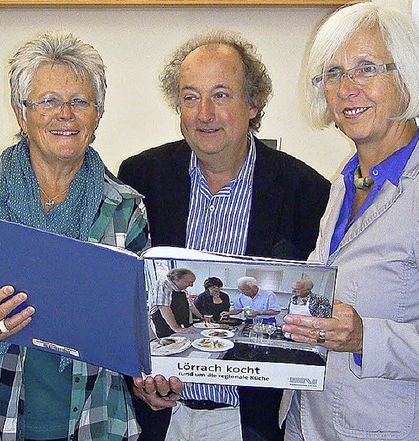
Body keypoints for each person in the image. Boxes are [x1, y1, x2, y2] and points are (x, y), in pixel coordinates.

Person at [0, 33, 180, 440]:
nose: (65, 114)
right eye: (47, 101)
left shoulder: (125, 206)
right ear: (21, 114)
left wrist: (150, 377)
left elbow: (137, 326)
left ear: (98, 115)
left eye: (80, 102)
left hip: (95, 418)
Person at [118, 30, 330, 441]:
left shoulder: (306, 191)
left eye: (220, 95)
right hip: (161, 417)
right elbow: (125, 293)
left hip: (249, 421)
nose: (204, 114)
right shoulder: (141, 177)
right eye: (190, 97)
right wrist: (137, 379)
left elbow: (311, 309)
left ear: (253, 104)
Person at [279, 4, 419, 440]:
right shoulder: (347, 181)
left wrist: (367, 339)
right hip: (314, 424)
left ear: (407, 77)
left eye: (366, 69)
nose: (346, 89)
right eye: (333, 74)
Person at [150, 268, 202, 338]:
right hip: (164, 325)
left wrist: (202, 317)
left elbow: (191, 306)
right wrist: (177, 328)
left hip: (178, 324)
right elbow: (164, 308)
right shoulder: (163, 285)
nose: (191, 285)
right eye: (189, 282)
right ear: (177, 279)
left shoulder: (183, 290)